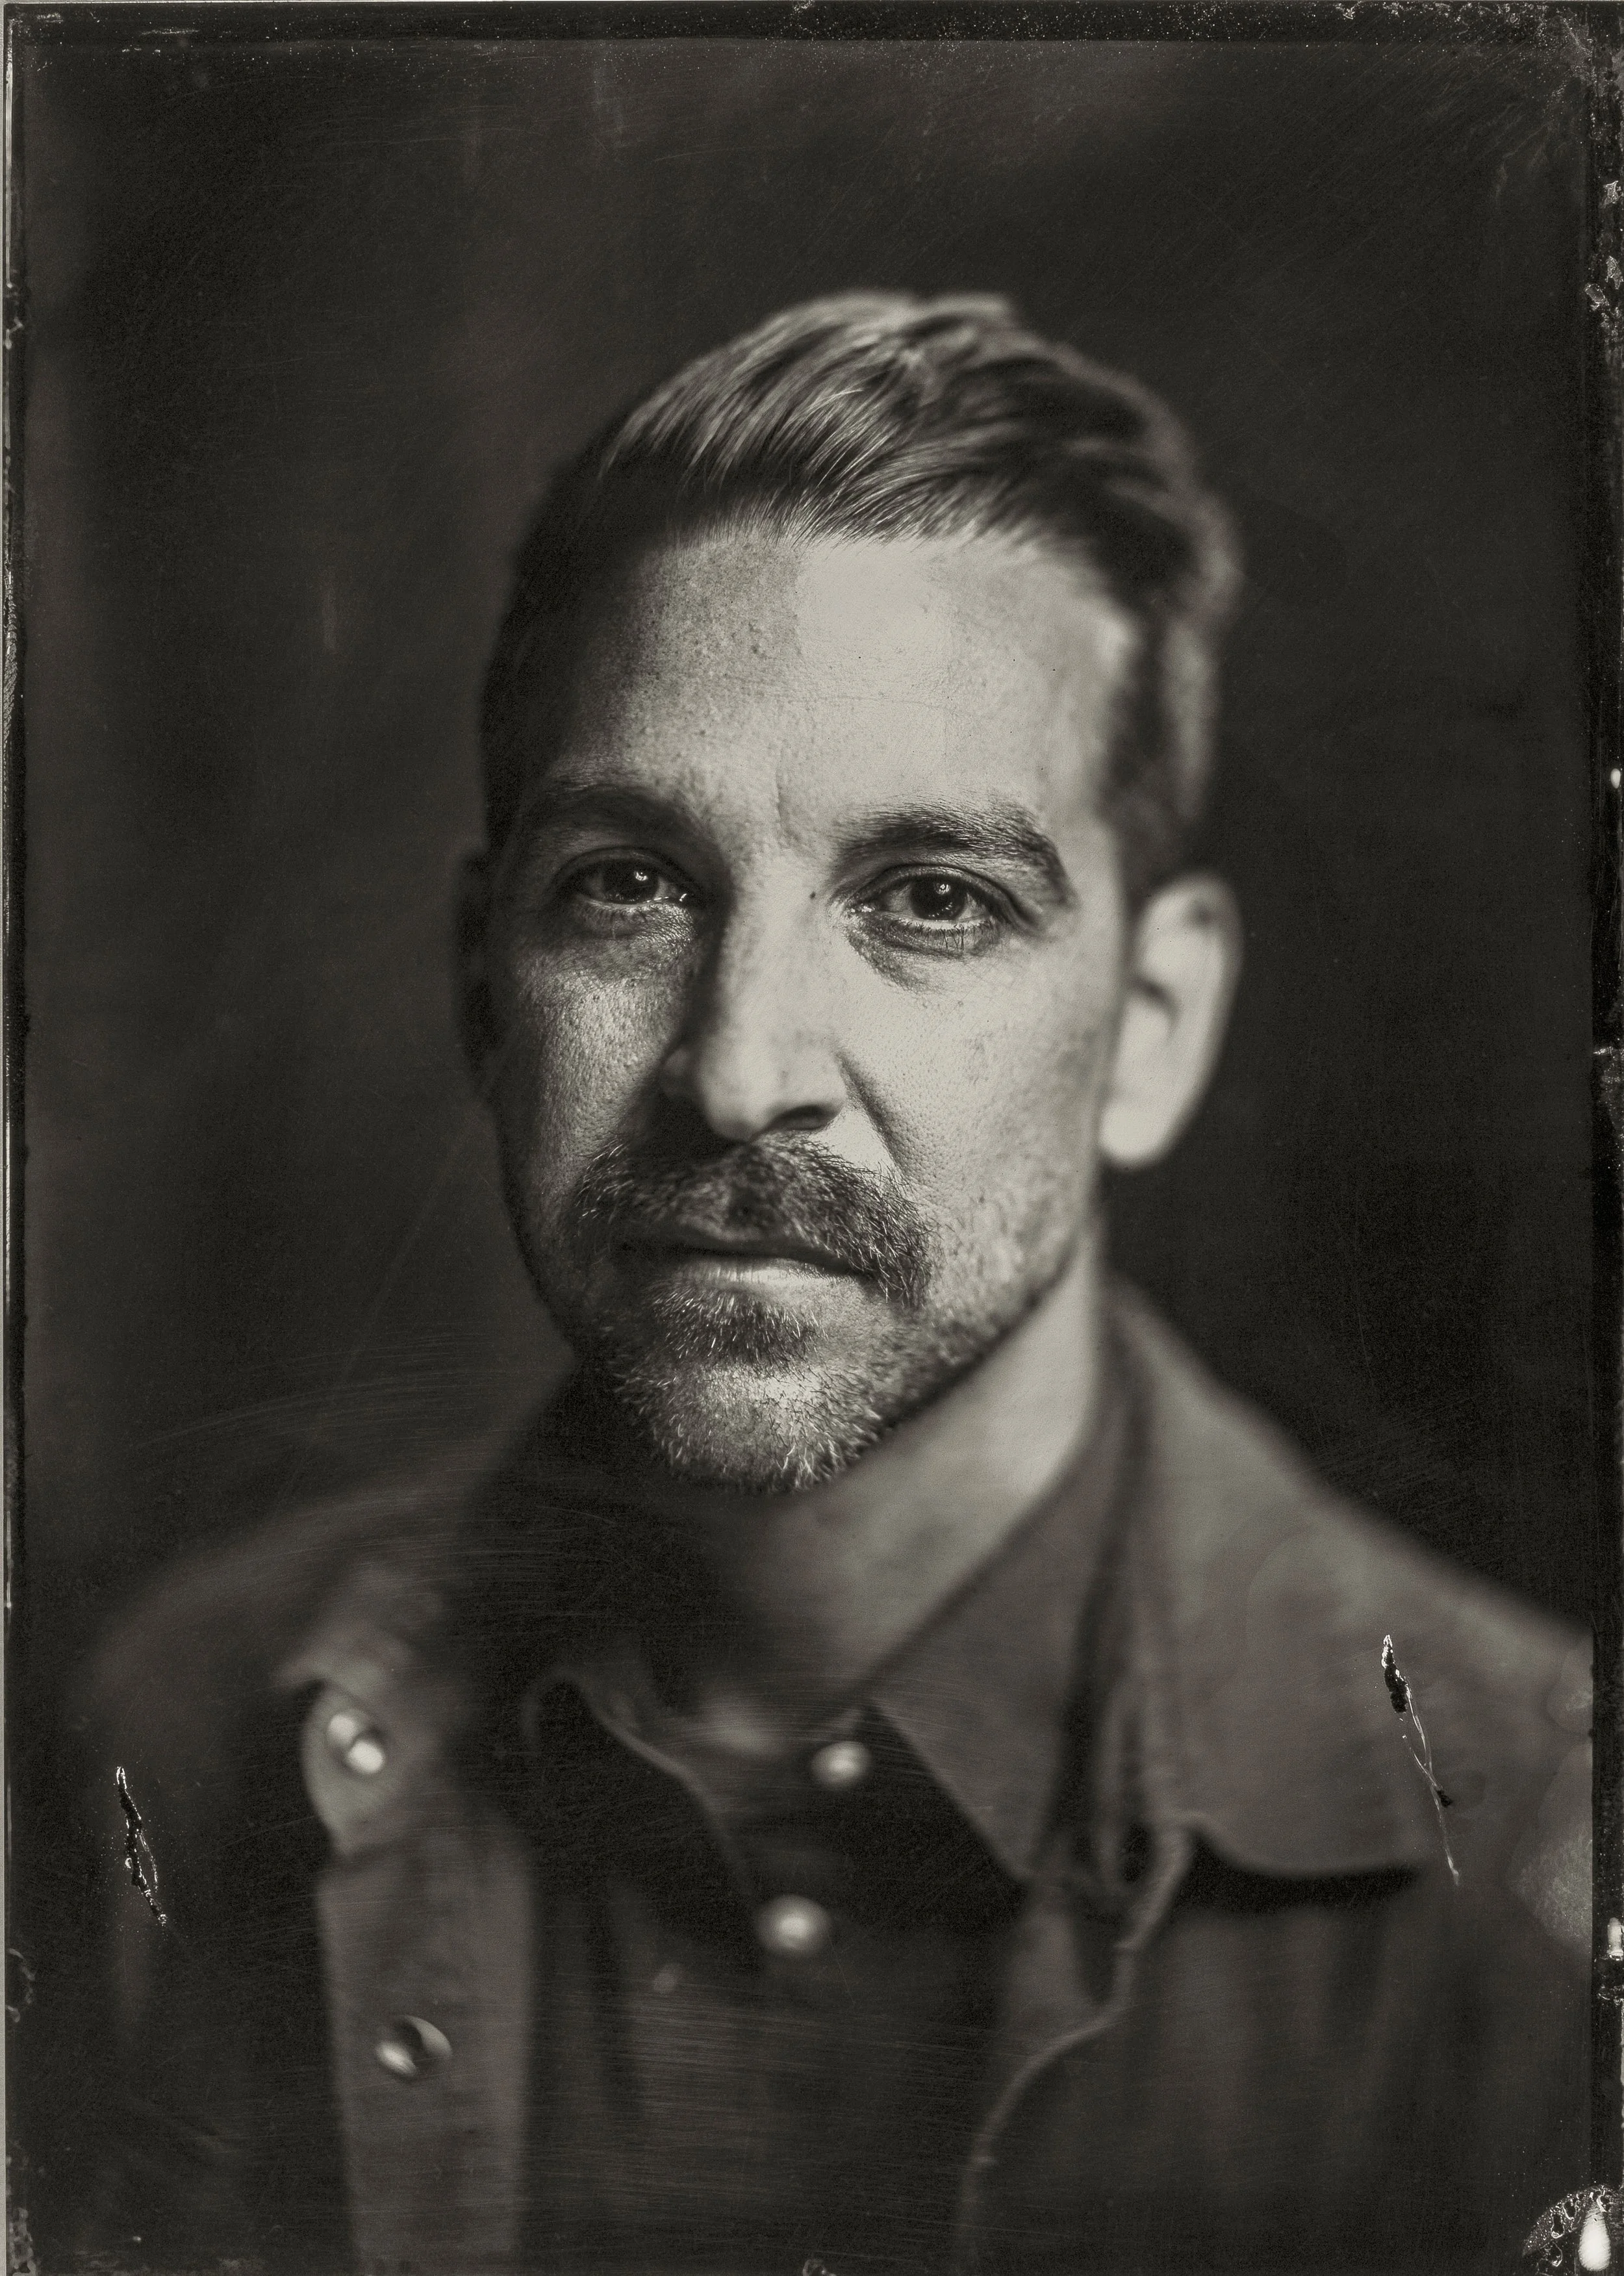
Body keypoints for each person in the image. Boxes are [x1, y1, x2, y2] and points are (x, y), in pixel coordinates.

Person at [81, 294, 1590, 2276]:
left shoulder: (1541, 1878)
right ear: (481, 988)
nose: (737, 1067)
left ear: (1150, 1025)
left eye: (930, 899)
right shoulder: (171, 1735)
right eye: (626, 884)